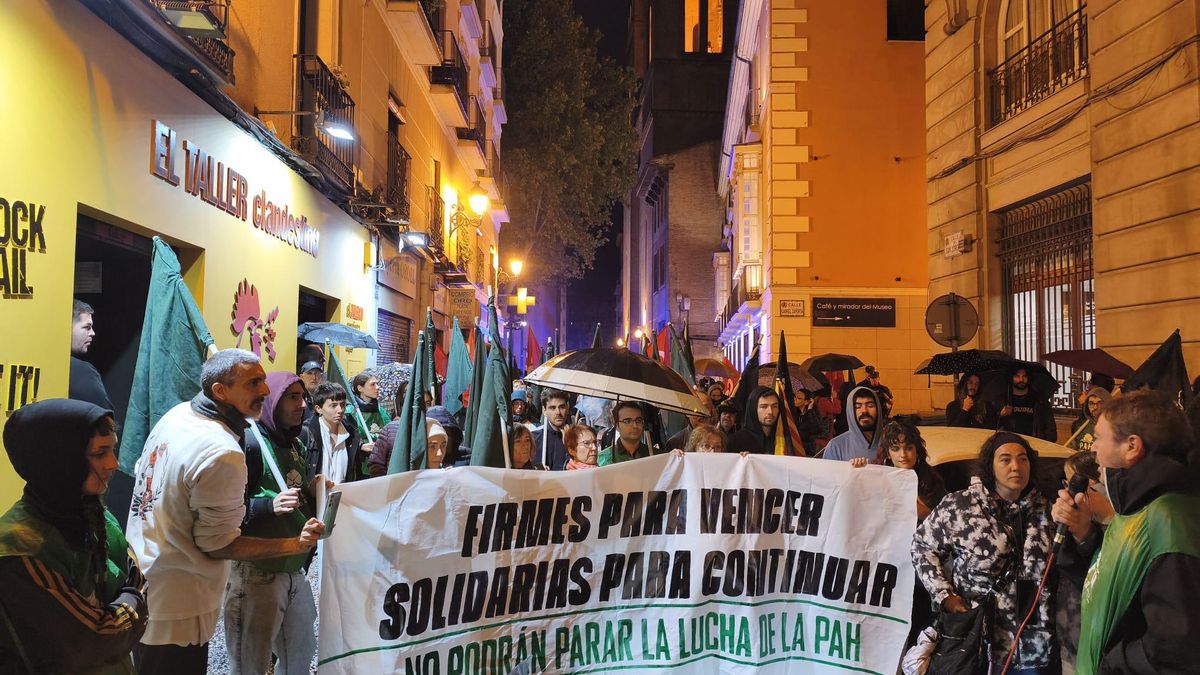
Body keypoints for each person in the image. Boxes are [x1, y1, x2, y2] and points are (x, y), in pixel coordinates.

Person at [126, 349, 323, 675]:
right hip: (180, 602)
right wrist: (295, 544)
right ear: (220, 391)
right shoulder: (222, 450)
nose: (264, 390)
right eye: (253, 383)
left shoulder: (177, 415)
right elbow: (219, 544)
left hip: (146, 580)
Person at [1050, 390, 1200, 673]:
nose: (1092, 448)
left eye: (1098, 437)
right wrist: (1084, 535)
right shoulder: (1136, 508)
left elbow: (1175, 649)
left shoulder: (1169, 519)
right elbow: (1113, 589)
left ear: (1131, 446)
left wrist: (1110, 663)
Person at [0, 400, 147, 674]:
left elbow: (136, 580)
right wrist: (132, 605)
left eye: (112, 449)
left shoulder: (96, 515)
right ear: (59, 460)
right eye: (100, 453)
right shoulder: (18, 548)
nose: (113, 463)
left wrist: (126, 607)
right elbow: (95, 640)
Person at [912, 432, 1058, 674]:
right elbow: (922, 546)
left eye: (1023, 459)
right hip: (976, 644)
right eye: (1005, 459)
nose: (1016, 467)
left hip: (1035, 649)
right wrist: (944, 595)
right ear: (990, 465)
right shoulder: (961, 506)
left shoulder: (1048, 512)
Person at [224, 372, 318, 675]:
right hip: (257, 574)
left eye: (303, 397)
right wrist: (267, 506)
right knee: (249, 664)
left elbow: (296, 497)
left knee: (299, 658)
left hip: (294, 571)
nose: (302, 404)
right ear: (272, 401)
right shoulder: (248, 444)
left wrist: (312, 491)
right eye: (292, 396)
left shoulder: (295, 444)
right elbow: (223, 513)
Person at [851, 421, 945, 648]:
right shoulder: (877, 476)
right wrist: (856, 470)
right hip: (885, 568)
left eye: (909, 447)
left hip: (920, 574)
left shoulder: (932, 482)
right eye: (896, 448)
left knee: (918, 632)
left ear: (917, 450)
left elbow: (944, 525)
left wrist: (913, 503)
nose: (903, 454)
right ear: (887, 452)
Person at [1053, 451, 1114, 673]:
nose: (1071, 494)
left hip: (1100, 644)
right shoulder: (1075, 523)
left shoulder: (1124, 527)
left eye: (1076, 485)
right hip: (1069, 636)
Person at [300, 383, 371, 485]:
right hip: (316, 498)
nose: (340, 410)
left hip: (345, 497)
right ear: (318, 409)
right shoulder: (307, 434)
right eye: (333, 406)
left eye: (342, 404)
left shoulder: (351, 434)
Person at [68, 299, 115, 411]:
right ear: (66, 327)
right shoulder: (82, 372)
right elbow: (105, 418)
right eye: (87, 327)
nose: (93, 333)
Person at [823, 386, 885, 462]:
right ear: (850, 411)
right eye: (857, 407)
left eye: (870, 406)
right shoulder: (836, 446)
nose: (864, 411)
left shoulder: (892, 443)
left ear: (878, 409)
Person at [1000, 368, 1058, 442]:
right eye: (1017, 376)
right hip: (1011, 444)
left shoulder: (1040, 401)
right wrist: (1001, 415)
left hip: (1035, 444)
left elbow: (1050, 428)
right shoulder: (1002, 400)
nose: (1021, 379)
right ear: (1011, 378)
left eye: (1024, 376)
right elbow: (992, 426)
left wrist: (1045, 444)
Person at [725, 386, 781, 454]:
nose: (770, 412)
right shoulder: (736, 441)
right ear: (753, 409)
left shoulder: (785, 439)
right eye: (764, 407)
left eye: (775, 406)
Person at [598, 401, 653, 465]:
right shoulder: (603, 459)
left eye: (638, 420)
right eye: (627, 421)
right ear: (616, 425)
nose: (635, 426)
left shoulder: (655, 455)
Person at [531, 389, 572, 470]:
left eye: (562, 407)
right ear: (544, 410)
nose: (558, 412)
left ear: (567, 408)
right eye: (552, 408)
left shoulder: (578, 437)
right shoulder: (534, 438)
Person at [1065, 387, 1110, 452]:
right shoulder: (1078, 425)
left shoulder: (1114, 427)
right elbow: (1073, 449)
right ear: (1086, 405)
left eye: (1099, 403)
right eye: (1091, 403)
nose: (1095, 407)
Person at [350, 369, 391, 438]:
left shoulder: (381, 411)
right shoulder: (351, 412)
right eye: (373, 384)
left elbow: (390, 433)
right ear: (360, 388)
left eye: (377, 384)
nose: (378, 387)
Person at [792, 388, 824, 456]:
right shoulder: (795, 413)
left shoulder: (812, 413)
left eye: (799, 398)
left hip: (807, 449)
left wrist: (810, 410)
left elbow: (817, 430)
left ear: (806, 402)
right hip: (795, 447)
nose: (795, 399)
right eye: (795, 397)